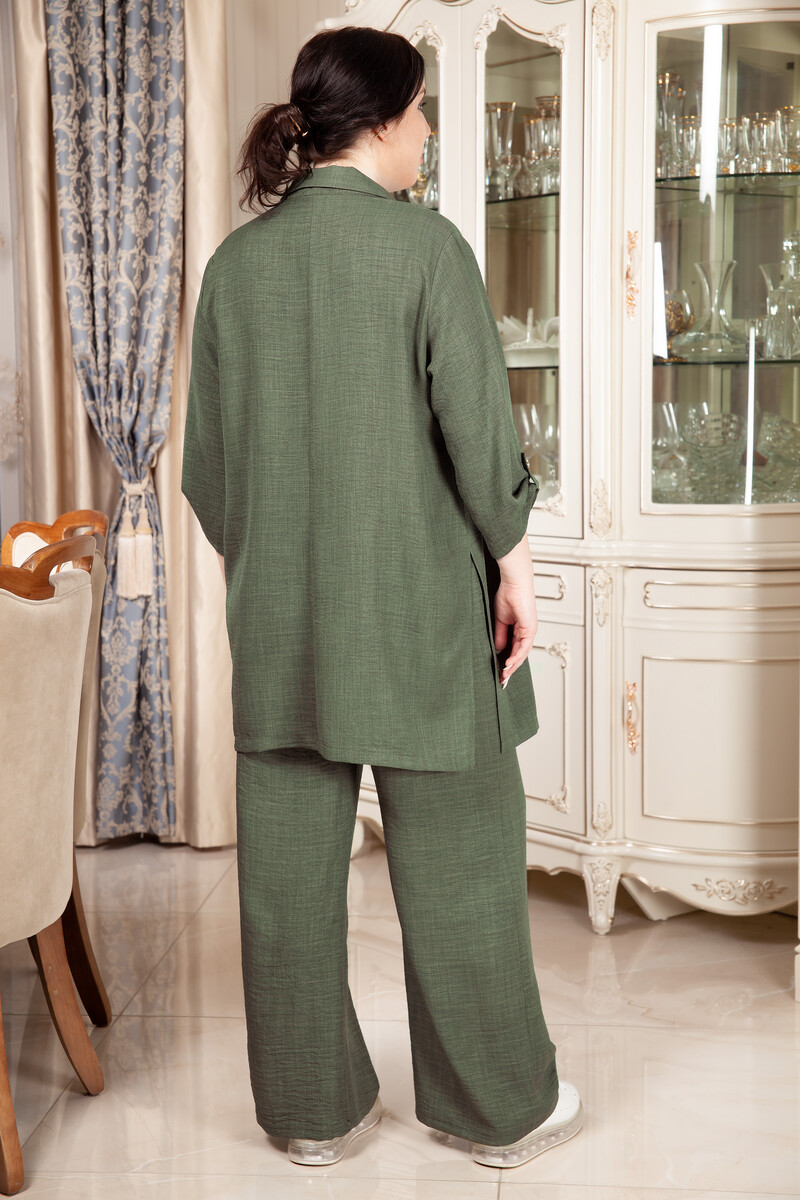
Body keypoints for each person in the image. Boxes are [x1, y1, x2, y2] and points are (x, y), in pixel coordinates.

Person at [181, 23, 583, 1171]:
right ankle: (493, 1111)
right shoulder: (425, 249)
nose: (428, 133)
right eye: (421, 112)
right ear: (385, 121)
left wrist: (282, 570)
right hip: (422, 621)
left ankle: (308, 1113)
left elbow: (207, 475)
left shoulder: (235, 267)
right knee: (460, 864)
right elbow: (481, 444)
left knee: (285, 884)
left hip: (282, 627)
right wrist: (512, 569)